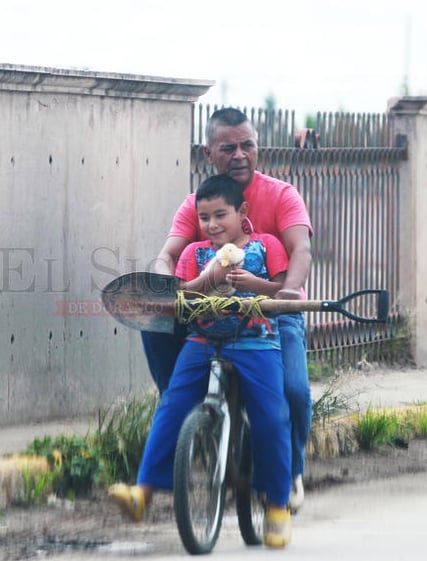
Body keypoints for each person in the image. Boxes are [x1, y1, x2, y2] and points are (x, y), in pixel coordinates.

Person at [141, 107, 313, 512]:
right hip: (210, 313)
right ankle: (186, 416)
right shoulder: (198, 204)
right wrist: (164, 283)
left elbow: (301, 248)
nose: (239, 155)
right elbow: (167, 255)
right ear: (208, 153)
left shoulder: (282, 195)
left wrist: (287, 293)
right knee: (155, 325)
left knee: (293, 391)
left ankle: (290, 474)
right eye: (228, 147)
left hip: (270, 311)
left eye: (247, 145)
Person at [110, 174, 293, 548]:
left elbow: (282, 288)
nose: (211, 225)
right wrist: (205, 280)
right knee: (173, 405)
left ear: (241, 212)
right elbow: (182, 295)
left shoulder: (266, 245)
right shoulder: (194, 254)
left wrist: (251, 284)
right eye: (205, 217)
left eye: (220, 215)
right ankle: (142, 493)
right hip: (203, 341)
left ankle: (277, 505)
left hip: (256, 343)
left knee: (272, 417)